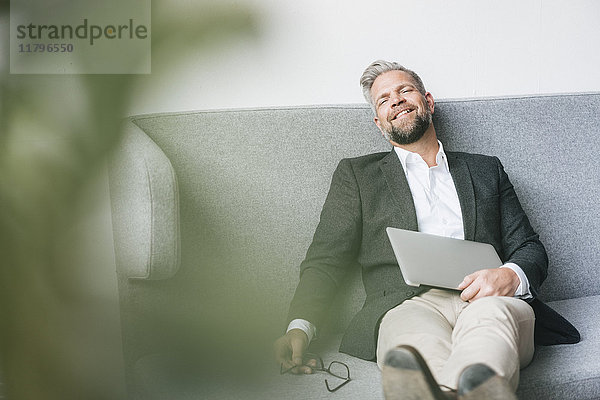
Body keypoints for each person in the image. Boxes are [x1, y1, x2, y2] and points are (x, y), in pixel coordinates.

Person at [274, 60, 579, 400]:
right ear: (379, 123)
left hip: (488, 299)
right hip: (407, 306)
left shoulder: (485, 169)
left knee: (490, 329)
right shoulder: (357, 177)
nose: (397, 100)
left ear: (428, 102)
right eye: (384, 99)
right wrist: (299, 325)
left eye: (405, 90)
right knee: (412, 350)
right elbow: (326, 259)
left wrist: (509, 274)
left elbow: (529, 247)